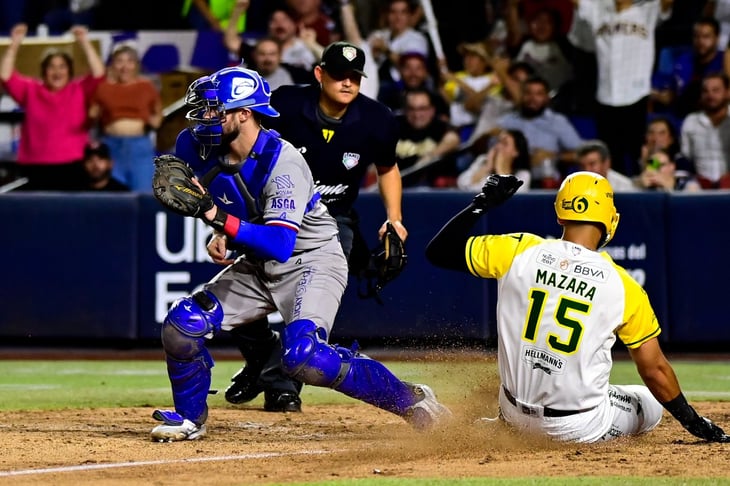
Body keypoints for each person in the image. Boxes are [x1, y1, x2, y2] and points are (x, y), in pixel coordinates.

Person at [149, 64, 449, 441]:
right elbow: (221, 196)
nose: (205, 117)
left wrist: (216, 217)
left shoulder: (284, 162)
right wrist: (220, 228)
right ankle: (189, 418)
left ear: (244, 114)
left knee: (303, 357)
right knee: (182, 325)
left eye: (216, 109)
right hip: (258, 263)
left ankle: (412, 399)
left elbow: (279, 244)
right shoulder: (193, 145)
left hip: (312, 258)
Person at [425, 171, 730, 444]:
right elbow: (655, 370)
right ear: (611, 221)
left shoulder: (519, 250)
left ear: (560, 215)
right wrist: (693, 421)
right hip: (576, 427)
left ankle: (505, 426)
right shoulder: (624, 286)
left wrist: (482, 202)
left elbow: (438, 251)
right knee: (647, 404)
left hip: (513, 415)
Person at [222, 41, 409, 413]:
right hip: (271, 211)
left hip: (330, 219)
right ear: (319, 74)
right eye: (339, 75)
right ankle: (264, 356)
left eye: (354, 77)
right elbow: (244, 151)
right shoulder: (286, 104)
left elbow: (387, 168)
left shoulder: (377, 118)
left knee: (304, 295)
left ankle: (280, 382)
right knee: (239, 286)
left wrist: (395, 218)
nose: (347, 83)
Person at [569, 0, 674, 177]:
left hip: (637, 95)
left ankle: (646, 196)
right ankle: (613, 201)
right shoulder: (598, 9)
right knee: (610, 161)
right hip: (606, 97)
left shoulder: (647, 9)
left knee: (640, 155)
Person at [0, 23, 105, 191]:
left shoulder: (79, 89)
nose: (57, 72)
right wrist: (14, 44)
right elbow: (5, 75)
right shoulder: (31, 89)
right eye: (52, 67)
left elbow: (99, 73)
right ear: (44, 71)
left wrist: (84, 42)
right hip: (35, 165)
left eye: (62, 66)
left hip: (73, 164)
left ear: (69, 71)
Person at [88, 42, 162, 193]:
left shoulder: (146, 86)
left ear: (136, 64)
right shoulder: (103, 88)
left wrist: (153, 122)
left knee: (142, 194)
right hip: (111, 147)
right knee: (112, 196)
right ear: (113, 65)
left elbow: (158, 113)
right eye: (119, 61)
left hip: (139, 148)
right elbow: (92, 114)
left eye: (129, 61)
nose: (124, 66)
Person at [650, 16, 724, 119]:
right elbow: (672, 92)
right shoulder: (684, 60)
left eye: (706, 37)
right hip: (680, 115)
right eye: (696, 36)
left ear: (717, 38)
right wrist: (657, 94)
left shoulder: (724, 61)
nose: (700, 41)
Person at [395, 88, 461, 188]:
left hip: (432, 188)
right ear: (405, 110)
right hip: (398, 185)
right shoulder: (396, 125)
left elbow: (453, 139)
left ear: (432, 110)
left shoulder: (440, 126)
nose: (417, 114)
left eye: (422, 109)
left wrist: (430, 156)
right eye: (412, 109)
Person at [679, 72, 730, 189]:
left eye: (716, 90)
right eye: (705, 91)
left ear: (727, 93)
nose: (710, 95)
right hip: (700, 185)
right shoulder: (691, 121)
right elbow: (684, 158)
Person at [457, 129, 531, 191]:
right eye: (498, 141)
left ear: (516, 152)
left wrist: (500, 168)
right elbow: (462, 183)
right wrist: (487, 167)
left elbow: (509, 197)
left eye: (505, 143)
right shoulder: (482, 160)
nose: (498, 146)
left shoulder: (523, 174)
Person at [636, 148, 701, 192]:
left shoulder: (687, 181)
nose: (656, 170)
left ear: (671, 166)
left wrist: (669, 189)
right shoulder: (640, 181)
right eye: (653, 166)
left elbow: (691, 207)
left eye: (660, 165)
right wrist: (643, 190)